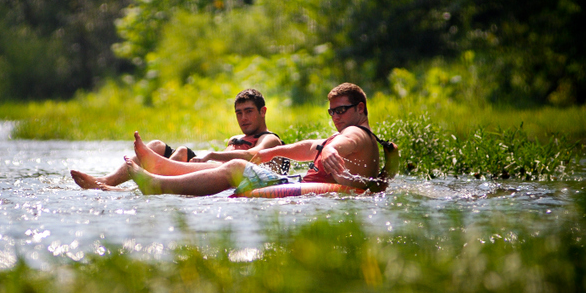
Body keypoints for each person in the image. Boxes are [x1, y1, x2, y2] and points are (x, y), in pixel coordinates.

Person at [124, 83, 398, 196]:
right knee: (226, 168)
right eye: (332, 111)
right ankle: (162, 170)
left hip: (316, 193)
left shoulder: (355, 134)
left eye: (342, 110)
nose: (336, 117)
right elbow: (308, 147)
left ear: (360, 109)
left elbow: (340, 145)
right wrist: (267, 155)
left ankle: (157, 182)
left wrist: (329, 152)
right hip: (308, 186)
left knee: (235, 169)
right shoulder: (357, 137)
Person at [70, 88, 284, 190]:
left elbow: (254, 155)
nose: (243, 118)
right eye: (239, 113)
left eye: (248, 111)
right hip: (210, 170)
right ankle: (105, 181)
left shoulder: (270, 139)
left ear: (263, 111)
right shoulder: (235, 138)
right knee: (156, 146)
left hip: (237, 177)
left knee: (178, 154)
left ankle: (141, 184)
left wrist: (211, 154)